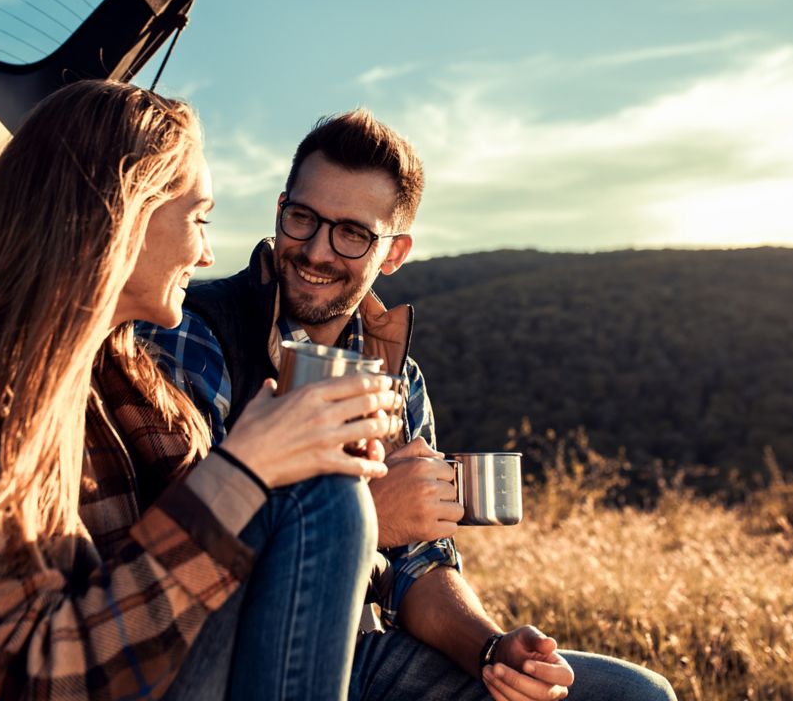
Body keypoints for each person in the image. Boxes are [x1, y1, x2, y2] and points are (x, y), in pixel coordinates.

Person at [0, 80, 406, 701]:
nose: (206, 254)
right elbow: (13, 681)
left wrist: (293, 460)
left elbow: (221, 540)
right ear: (120, 220)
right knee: (326, 505)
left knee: (326, 499)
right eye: (198, 219)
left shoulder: (120, 375)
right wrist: (247, 466)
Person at [139, 109, 678, 701]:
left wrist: (491, 650)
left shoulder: (399, 375)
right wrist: (369, 516)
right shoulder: (194, 334)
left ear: (393, 253)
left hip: (360, 654)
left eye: (352, 233)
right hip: (229, 664)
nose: (317, 250)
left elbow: (419, 563)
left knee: (636, 694)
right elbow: (173, 570)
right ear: (279, 211)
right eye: (303, 218)